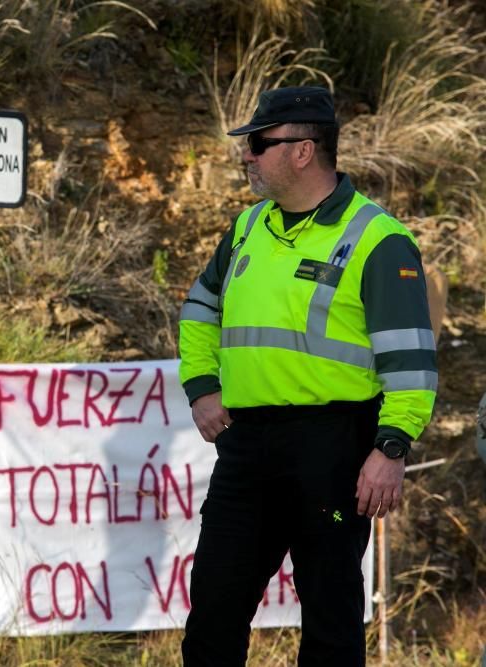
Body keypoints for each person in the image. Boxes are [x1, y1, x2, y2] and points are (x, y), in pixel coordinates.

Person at [178, 87, 436, 666]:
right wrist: (201, 385)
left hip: (335, 447)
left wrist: (391, 446)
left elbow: (411, 357)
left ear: (303, 151)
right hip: (246, 446)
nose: (247, 156)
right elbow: (199, 309)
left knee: (330, 615)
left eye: (258, 144)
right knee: (214, 609)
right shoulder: (246, 228)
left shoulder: (377, 238)